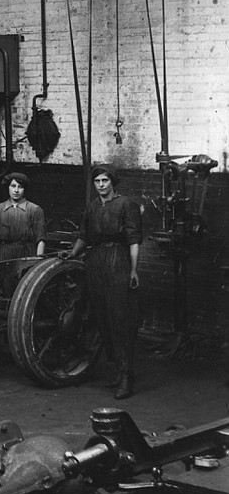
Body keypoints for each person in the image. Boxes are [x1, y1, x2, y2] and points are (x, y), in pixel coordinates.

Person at [62, 164, 141, 400]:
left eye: (105, 181)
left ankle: (127, 375)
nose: (101, 185)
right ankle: (117, 370)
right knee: (102, 318)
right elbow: (84, 237)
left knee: (119, 318)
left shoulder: (127, 205)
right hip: (95, 262)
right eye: (97, 181)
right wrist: (72, 253)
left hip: (117, 259)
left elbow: (135, 240)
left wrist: (134, 270)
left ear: (112, 182)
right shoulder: (92, 206)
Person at [0, 172, 46, 263]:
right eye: (13, 186)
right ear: (8, 187)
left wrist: (37, 262)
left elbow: (40, 239)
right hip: (6, 256)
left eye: (20, 187)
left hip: (27, 255)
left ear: (25, 189)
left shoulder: (35, 209)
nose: (16, 190)